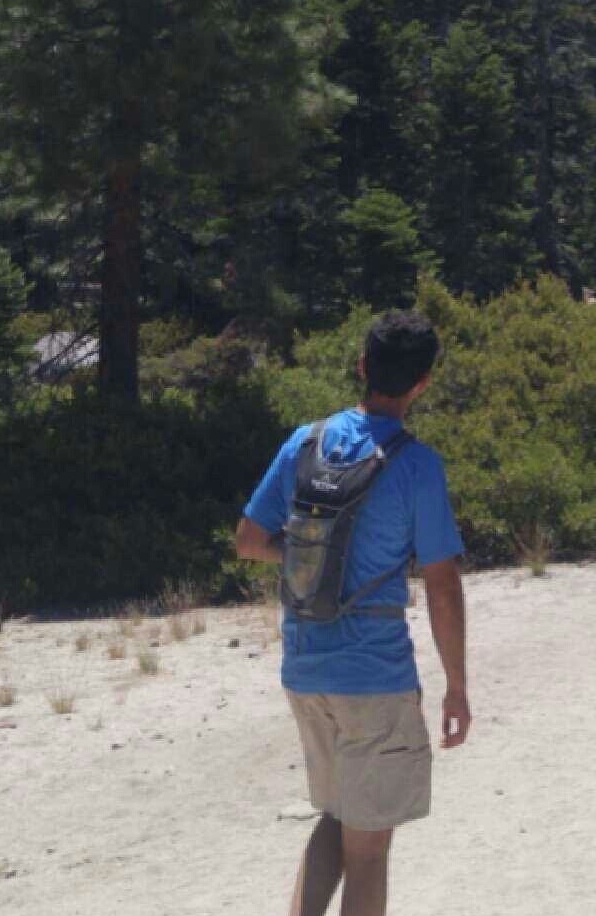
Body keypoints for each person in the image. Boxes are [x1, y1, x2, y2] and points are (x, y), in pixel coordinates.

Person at [236, 310, 470, 916]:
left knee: (335, 820)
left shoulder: (304, 441)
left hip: (305, 669)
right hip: (375, 678)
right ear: (422, 384)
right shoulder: (418, 465)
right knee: (367, 851)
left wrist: (312, 557)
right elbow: (443, 586)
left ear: (362, 366)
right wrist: (457, 687)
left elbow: (250, 540)